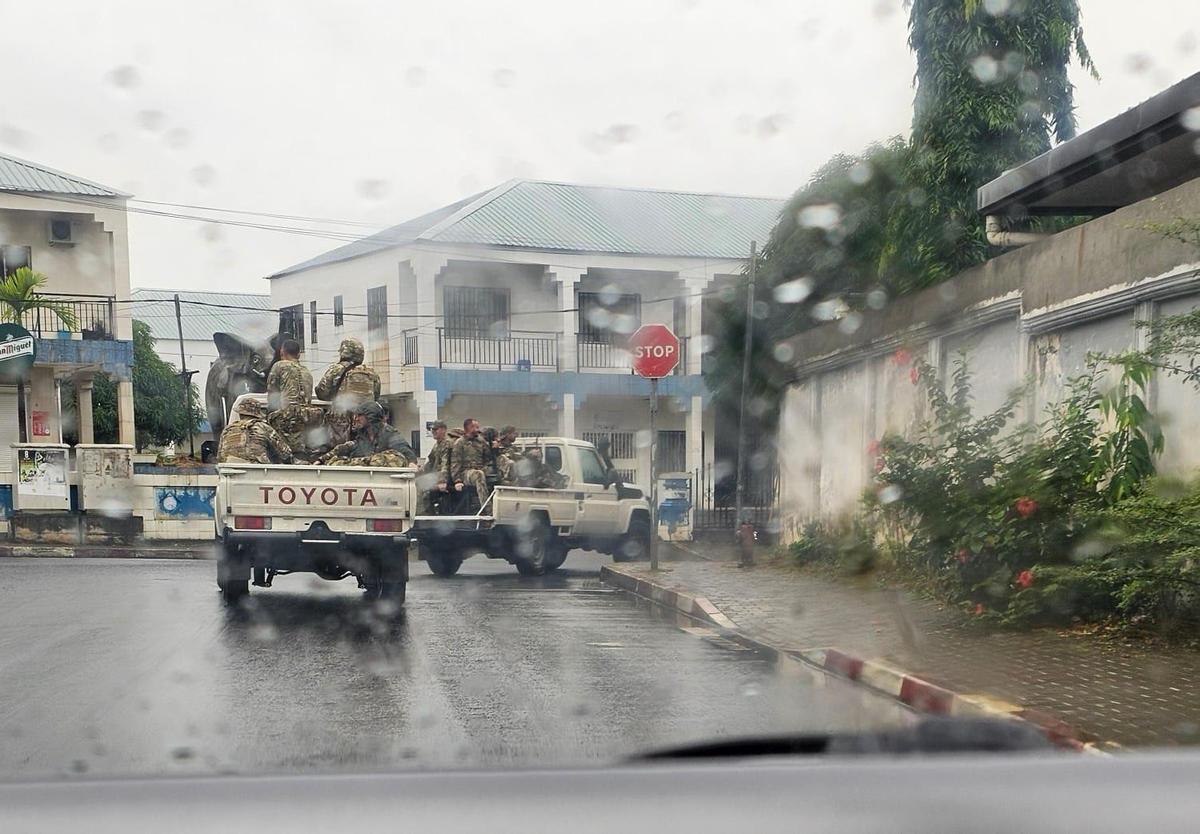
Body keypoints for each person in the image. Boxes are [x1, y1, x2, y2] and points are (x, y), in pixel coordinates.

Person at [315, 337, 380, 446]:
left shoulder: (336, 369)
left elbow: (322, 393)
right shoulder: (372, 373)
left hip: (341, 424)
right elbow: (376, 397)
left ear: (344, 352)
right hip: (365, 422)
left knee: (338, 455)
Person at [319, 401, 416, 467]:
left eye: (360, 415)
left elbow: (406, 453)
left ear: (371, 416)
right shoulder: (361, 436)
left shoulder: (389, 434)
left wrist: (412, 463)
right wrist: (321, 460)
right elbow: (344, 448)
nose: (356, 419)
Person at [266, 338, 317, 455]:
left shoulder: (279, 366)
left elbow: (272, 395)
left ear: (281, 352)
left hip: (286, 422)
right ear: (299, 355)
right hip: (306, 421)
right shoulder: (307, 371)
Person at [216, 398, 293, 464]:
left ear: (240, 414)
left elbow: (219, 458)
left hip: (228, 470)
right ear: (256, 414)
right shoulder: (263, 427)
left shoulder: (227, 429)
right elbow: (285, 453)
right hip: (258, 472)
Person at [448, 417, 490, 507]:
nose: (478, 430)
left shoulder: (481, 441)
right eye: (475, 427)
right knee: (479, 474)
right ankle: (487, 508)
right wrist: (457, 481)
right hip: (465, 472)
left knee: (494, 473)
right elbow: (455, 463)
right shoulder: (460, 443)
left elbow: (488, 457)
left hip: (480, 468)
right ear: (469, 428)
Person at [417, 421, 453, 513]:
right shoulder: (437, 445)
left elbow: (446, 464)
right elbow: (430, 462)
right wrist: (419, 471)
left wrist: (442, 481)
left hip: (446, 476)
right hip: (436, 475)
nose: (433, 431)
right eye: (431, 429)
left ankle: (427, 516)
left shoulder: (447, 443)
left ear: (444, 430)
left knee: (424, 490)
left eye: (435, 429)